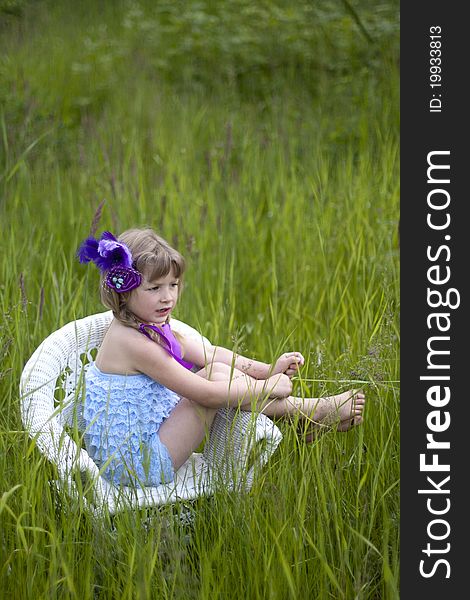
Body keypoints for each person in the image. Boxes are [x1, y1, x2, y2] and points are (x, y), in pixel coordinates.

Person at [77, 228, 365, 487]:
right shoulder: (132, 342)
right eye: (154, 288)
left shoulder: (149, 324)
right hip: (137, 466)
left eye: (173, 285)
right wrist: (266, 387)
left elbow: (210, 352)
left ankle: (306, 416)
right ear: (123, 291)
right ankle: (308, 413)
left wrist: (267, 370)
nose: (168, 298)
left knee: (216, 368)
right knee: (215, 379)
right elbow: (205, 393)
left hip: (153, 439)